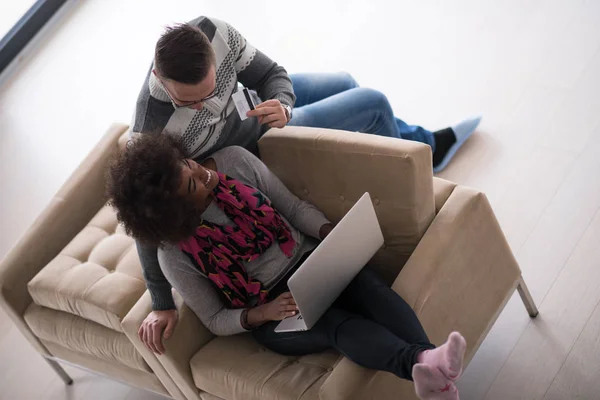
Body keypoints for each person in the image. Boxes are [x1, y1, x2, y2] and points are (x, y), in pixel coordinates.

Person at [130, 16, 480, 364]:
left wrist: (282, 104)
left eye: (212, 92)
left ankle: (416, 145)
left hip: (257, 111)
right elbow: (147, 222)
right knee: (372, 104)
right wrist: (161, 302)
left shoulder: (213, 31)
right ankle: (423, 152)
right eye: (192, 103)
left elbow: (270, 76)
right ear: (159, 78)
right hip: (256, 144)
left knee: (345, 81)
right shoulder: (151, 134)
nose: (207, 106)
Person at [106, 134, 468, 400]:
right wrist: (261, 313)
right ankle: (422, 362)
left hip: (310, 261)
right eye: (192, 185)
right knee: (334, 324)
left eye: (187, 164)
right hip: (271, 313)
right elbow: (215, 318)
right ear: (178, 213)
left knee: (368, 286)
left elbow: (292, 209)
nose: (201, 173)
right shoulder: (174, 256)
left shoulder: (233, 161)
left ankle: (428, 360)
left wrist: (331, 233)